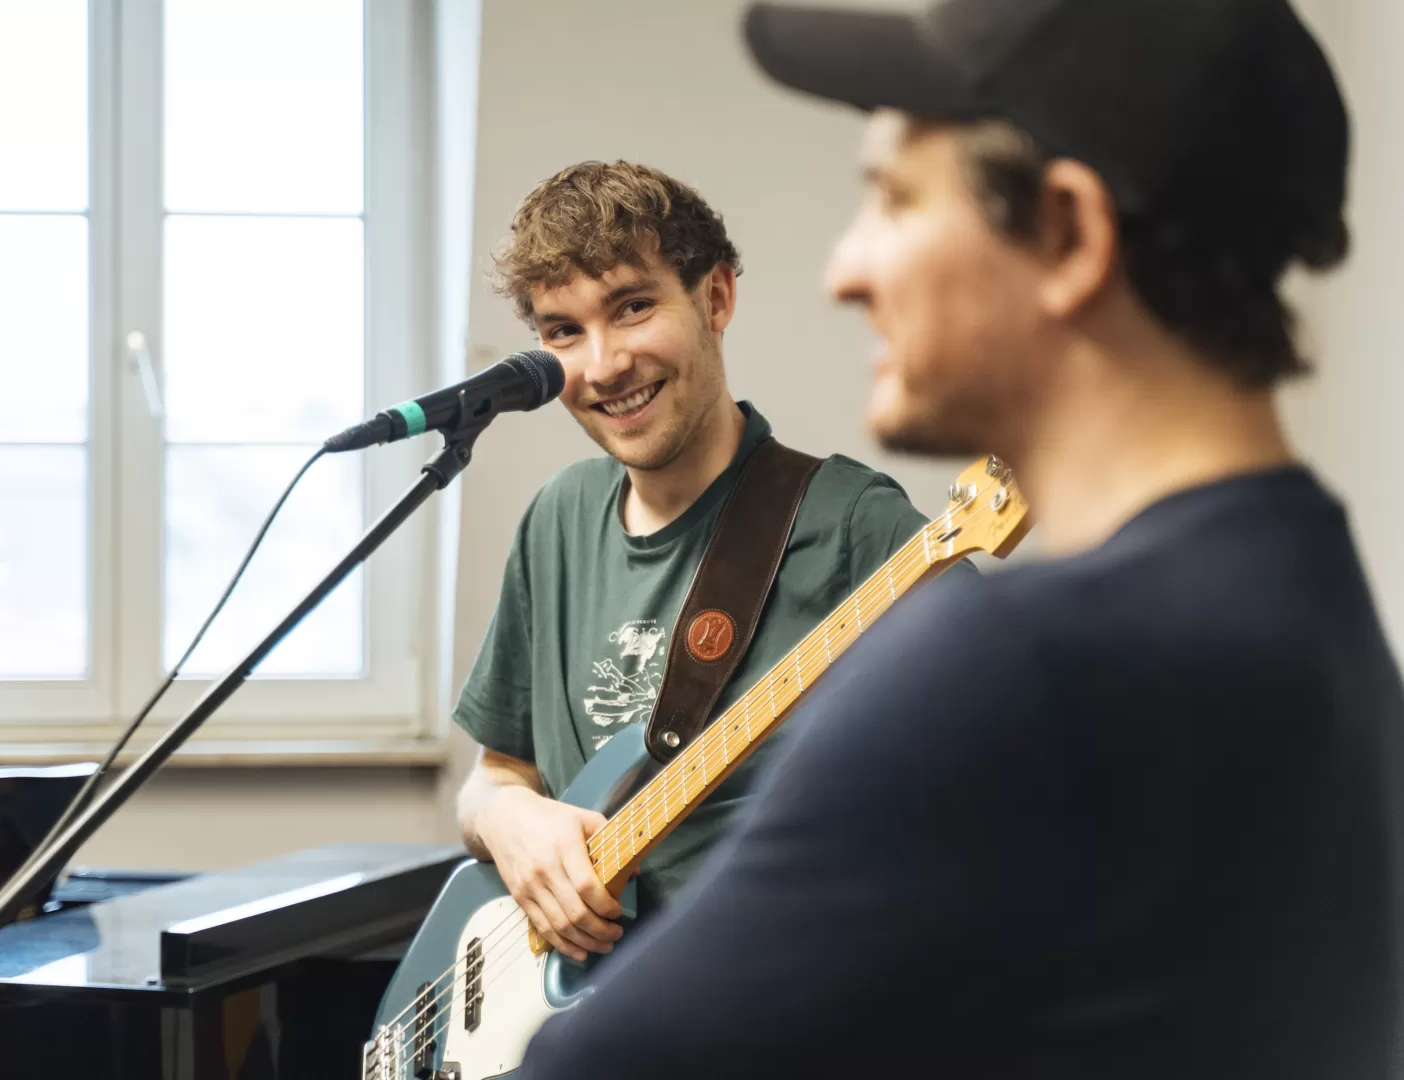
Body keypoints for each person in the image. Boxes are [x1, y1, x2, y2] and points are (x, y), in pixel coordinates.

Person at [521, 0, 1404, 1077]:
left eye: (892, 199)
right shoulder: (1308, 602)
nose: (846, 270)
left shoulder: (1027, 665)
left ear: (1070, 237)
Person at [454, 160, 959, 962]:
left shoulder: (856, 528)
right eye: (564, 331)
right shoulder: (559, 517)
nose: (606, 364)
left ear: (716, 298)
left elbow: (999, 795)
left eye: (633, 307)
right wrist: (510, 819)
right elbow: (494, 773)